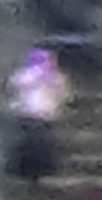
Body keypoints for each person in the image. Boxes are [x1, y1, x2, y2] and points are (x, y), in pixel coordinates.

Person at [9, 46, 68, 181]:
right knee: (28, 143)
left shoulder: (56, 78)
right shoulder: (27, 75)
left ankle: (45, 168)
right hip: (28, 115)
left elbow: (62, 94)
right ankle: (24, 169)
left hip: (46, 115)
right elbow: (17, 84)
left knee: (43, 144)